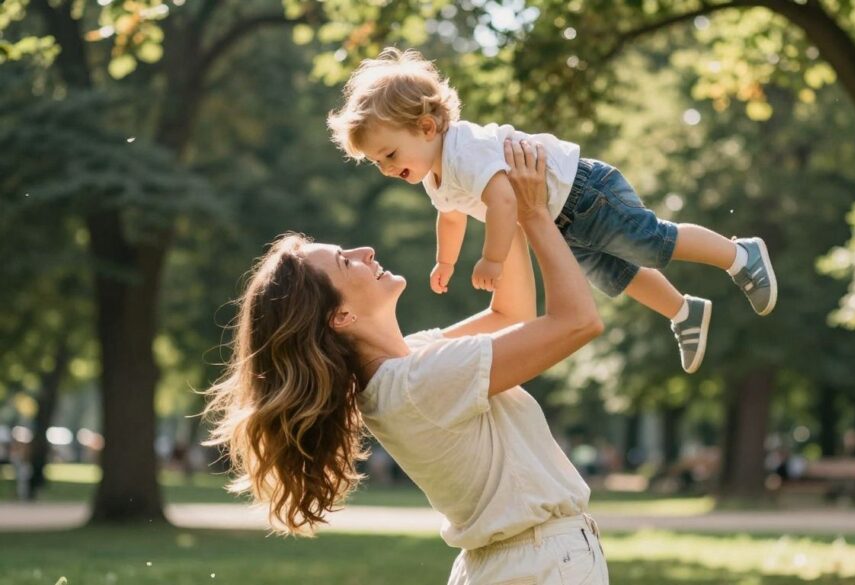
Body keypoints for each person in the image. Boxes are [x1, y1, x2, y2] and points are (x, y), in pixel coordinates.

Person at [204, 140, 610, 584]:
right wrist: (533, 214)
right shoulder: (418, 381)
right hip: (541, 564)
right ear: (341, 317)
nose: (365, 252)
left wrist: (496, 200)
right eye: (346, 261)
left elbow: (511, 315)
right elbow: (578, 321)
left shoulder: (407, 366)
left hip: (521, 562)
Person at [327, 48, 779, 374]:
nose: (386, 168)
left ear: (426, 127)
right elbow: (450, 216)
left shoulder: (464, 150)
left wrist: (494, 259)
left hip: (583, 192)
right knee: (614, 275)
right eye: (377, 163)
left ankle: (740, 255)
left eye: (388, 154)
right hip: (558, 219)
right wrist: (446, 261)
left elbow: (504, 199)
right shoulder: (433, 175)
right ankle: (683, 311)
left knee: (650, 242)